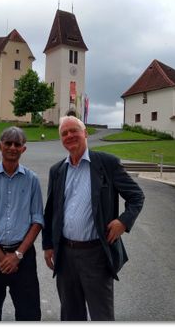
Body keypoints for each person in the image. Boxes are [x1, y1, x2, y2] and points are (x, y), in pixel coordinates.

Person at [42, 116, 145, 321]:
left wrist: (123, 221)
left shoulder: (107, 163)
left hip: (96, 253)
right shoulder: (57, 170)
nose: (70, 136)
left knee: (101, 315)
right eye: (64, 133)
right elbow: (51, 211)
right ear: (61, 139)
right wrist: (48, 245)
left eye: (74, 131)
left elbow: (136, 196)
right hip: (65, 256)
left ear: (85, 133)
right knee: (70, 314)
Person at [0, 126, 44, 321]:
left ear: (23, 149)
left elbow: (37, 221)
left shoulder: (32, 180)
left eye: (17, 144)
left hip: (23, 257)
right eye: (8, 143)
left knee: (29, 314)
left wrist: (18, 255)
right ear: (0, 146)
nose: (12, 147)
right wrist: (1, 257)